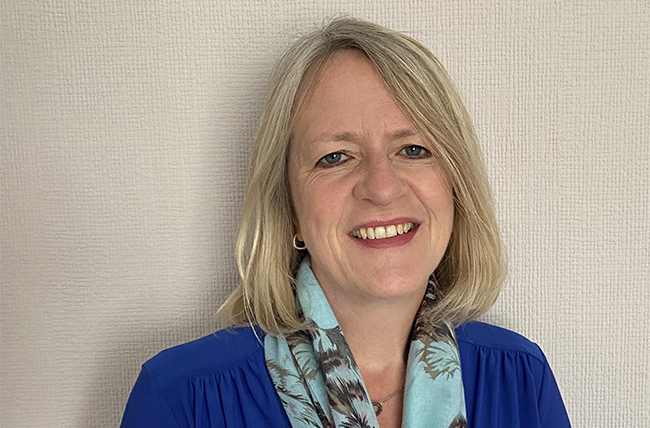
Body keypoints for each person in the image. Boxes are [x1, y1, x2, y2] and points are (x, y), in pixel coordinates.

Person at [121, 18, 570, 428]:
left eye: (413, 149)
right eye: (335, 157)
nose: (382, 187)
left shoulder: (521, 380)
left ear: (455, 184)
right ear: (290, 209)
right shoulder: (182, 400)